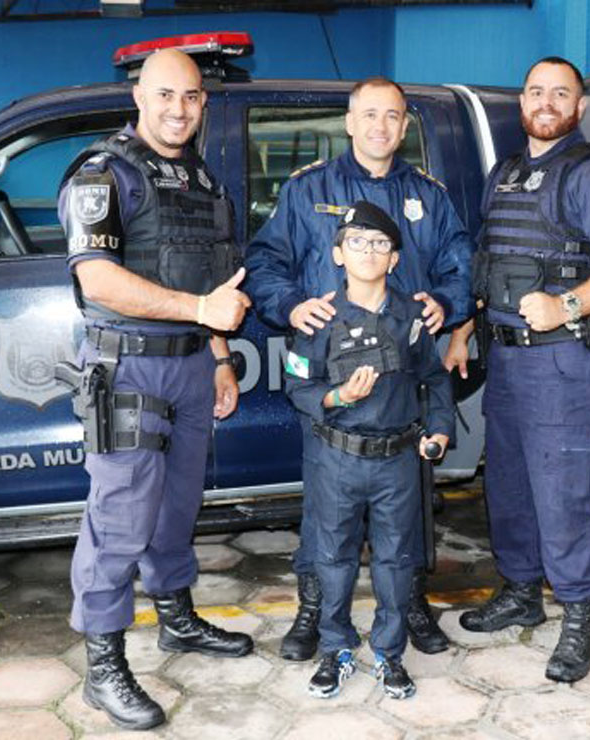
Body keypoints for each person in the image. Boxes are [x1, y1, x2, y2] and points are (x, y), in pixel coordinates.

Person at [57, 49, 254, 731]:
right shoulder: (103, 174)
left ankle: (177, 620)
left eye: (192, 97)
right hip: (129, 367)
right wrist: (202, 317)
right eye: (165, 95)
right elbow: (99, 280)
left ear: (204, 103)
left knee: (177, 505)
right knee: (121, 520)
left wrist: (221, 356)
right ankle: (103, 667)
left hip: (193, 366)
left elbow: (217, 279)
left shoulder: (200, 177)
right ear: (138, 96)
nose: (179, 109)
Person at [245, 76, 474, 660]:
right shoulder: (307, 190)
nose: (380, 126)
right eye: (368, 114)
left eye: (392, 116)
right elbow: (266, 261)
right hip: (331, 382)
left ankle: (412, 603)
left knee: (410, 503)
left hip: (404, 379)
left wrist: (447, 306)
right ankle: (314, 608)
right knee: (327, 506)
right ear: (349, 123)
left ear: (404, 126)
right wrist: (291, 304)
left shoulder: (431, 196)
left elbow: (461, 264)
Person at [458, 57, 590, 683]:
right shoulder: (507, 174)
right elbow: (491, 261)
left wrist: (565, 304)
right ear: (522, 100)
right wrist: (464, 327)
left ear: (580, 105)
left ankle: (578, 617)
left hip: (565, 361)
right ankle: (519, 593)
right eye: (536, 91)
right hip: (507, 359)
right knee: (509, 485)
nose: (546, 102)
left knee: (565, 493)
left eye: (559, 93)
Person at [283, 201, 454, 700]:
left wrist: (439, 429)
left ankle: (388, 652)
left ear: (395, 259)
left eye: (381, 243)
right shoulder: (319, 319)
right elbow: (298, 386)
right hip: (336, 460)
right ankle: (335, 648)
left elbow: (435, 379)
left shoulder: (413, 319)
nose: (369, 251)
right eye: (357, 242)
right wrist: (339, 397)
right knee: (332, 557)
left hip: (397, 460)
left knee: (396, 560)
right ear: (338, 253)